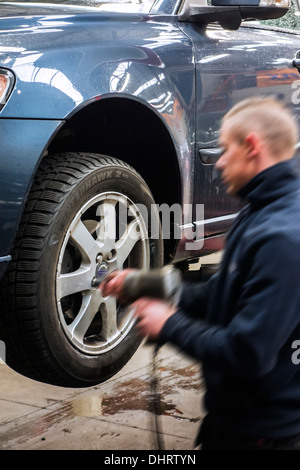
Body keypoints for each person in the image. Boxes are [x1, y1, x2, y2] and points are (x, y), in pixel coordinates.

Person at [101, 96, 300, 450]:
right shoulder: (264, 210)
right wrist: (149, 285)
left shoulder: (281, 237)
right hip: (238, 420)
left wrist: (168, 324)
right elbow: (223, 292)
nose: (219, 162)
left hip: (262, 434)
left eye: (225, 150)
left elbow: (247, 353)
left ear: (252, 146)